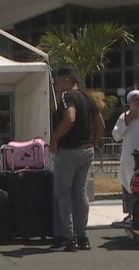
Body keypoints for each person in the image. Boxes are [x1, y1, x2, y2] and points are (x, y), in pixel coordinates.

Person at [50, 67, 105, 252]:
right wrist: (94, 143)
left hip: (69, 151)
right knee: (80, 193)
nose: (57, 85)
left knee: (63, 193)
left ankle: (69, 237)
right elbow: (101, 124)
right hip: (86, 150)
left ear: (67, 80)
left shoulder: (67, 96)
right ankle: (83, 236)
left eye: (58, 81)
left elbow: (70, 117)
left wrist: (55, 137)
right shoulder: (89, 97)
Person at [112, 89, 139, 223]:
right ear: (129, 103)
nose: (137, 102)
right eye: (135, 99)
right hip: (129, 159)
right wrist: (127, 121)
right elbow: (116, 136)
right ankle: (130, 213)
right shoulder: (124, 117)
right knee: (128, 184)